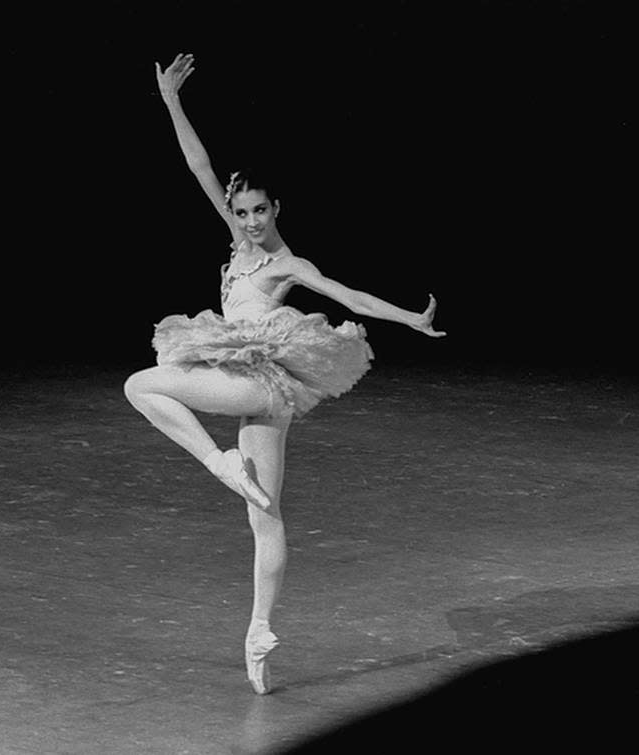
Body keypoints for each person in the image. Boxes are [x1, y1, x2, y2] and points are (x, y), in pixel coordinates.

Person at [124, 53, 445, 695]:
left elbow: (347, 297)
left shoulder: (285, 263)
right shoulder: (238, 244)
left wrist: (409, 317)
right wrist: (171, 102)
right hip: (268, 393)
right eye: (241, 212)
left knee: (142, 383)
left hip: (258, 376)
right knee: (265, 516)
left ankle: (220, 465)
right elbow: (199, 167)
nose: (249, 221)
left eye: (259, 212)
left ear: (277, 209)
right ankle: (259, 635)